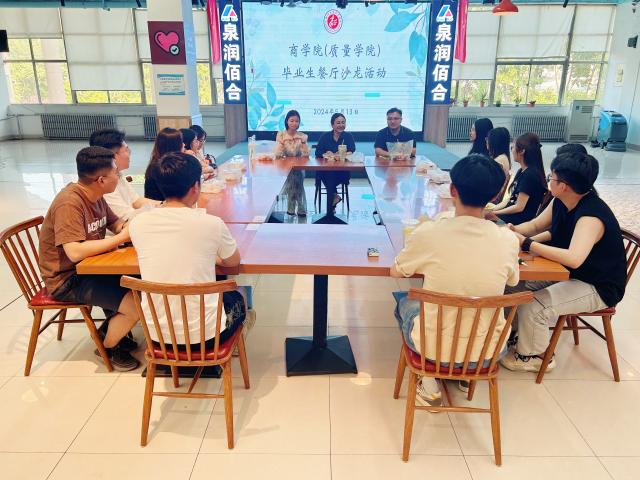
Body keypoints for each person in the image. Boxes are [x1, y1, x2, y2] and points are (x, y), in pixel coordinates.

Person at [391, 154, 519, 407]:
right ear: (494, 196)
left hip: (434, 348)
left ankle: (429, 384)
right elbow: (513, 281)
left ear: (452, 190)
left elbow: (396, 271)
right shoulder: (508, 239)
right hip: (487, 351)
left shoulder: (430, 233)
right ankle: (466, 378)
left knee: (405, 302)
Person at [500, 151, 627, 372]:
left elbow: (574, 259)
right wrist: (512, 230)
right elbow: (535, 225)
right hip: (570, 273)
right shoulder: (561, 200)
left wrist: (528, 244)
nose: (549, 180)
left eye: (552, 177)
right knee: (512, 286)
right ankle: (516, 335)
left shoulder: (591, 216)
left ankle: (536, 356)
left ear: (564, 186)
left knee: (535, 305)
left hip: (597, 285)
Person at [38, 146, 140, 371]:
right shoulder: (70, 203)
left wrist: (131, 226)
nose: (119, 177)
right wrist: (121, 237)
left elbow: (116, 224)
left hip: (91, 268)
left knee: (142, 284)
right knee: (137, 305)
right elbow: (74, 252)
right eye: (115, 173)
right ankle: (107, 346)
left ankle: (112, 329)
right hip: (67, 278)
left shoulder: (96, 195)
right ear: (101, 180)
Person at [129, 152, 246, 349]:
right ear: (195, 187)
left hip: (157, 336)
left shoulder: (137, 223)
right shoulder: (211, 224)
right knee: (239, 295)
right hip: (206, 337)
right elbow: (233, 262)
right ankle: (227, 347)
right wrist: (211, 257)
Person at [89, 128, 159, 222]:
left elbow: (136, 201)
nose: (129, 152)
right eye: (126, 150)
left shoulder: (118, 174)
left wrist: (166, 205)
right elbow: (126, 217)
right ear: (113, 156)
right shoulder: (104, 183)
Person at [491, 133, 547, 225]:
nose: (512, 150)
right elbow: (511, 199)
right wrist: (493, 209)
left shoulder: (530, 175)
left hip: (518, 221)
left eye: (512, 147)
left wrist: (495, 213)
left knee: (484, 221)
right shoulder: (522, 171)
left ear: (522, 151)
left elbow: (519, 207)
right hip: (512, 217)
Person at [315, 113, 356, 209]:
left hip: (342, 171)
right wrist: (327, 154)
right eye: (338, 123)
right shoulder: (325, 136)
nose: (341, 125)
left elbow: (352, 150)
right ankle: (334, 198)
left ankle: (332, 203)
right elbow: (318, 152)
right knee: (328, 174)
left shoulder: (348, 136)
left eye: (343, 122)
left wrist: (342, 154)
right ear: (332, 125)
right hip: (326, 171)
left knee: (330, 176)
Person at [276, 110, 310, 216]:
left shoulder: (302, 136)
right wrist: (282, 143)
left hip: (298, 167)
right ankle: (292, 209)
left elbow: (306, 155)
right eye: (291, 121)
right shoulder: (281, 135)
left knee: (298, 185)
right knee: (291, 185)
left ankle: (299, 209)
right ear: (287, 121)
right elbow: (278, 154)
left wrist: (303, 143)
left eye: (296, 121)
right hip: (285, 167)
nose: (294, 123)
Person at [144, 128, 184, 201]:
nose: (184, 145)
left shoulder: (159, 162)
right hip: (160, 205)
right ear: (174, 146)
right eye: (181, 142)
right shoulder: (163, 168)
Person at [486, 127, 512, 203]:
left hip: (491, 199)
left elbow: (489, 183)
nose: (486, 141)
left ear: (495, 141)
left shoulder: (499, 160)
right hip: (492, 196)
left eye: (488, 139)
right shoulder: (503, 157)